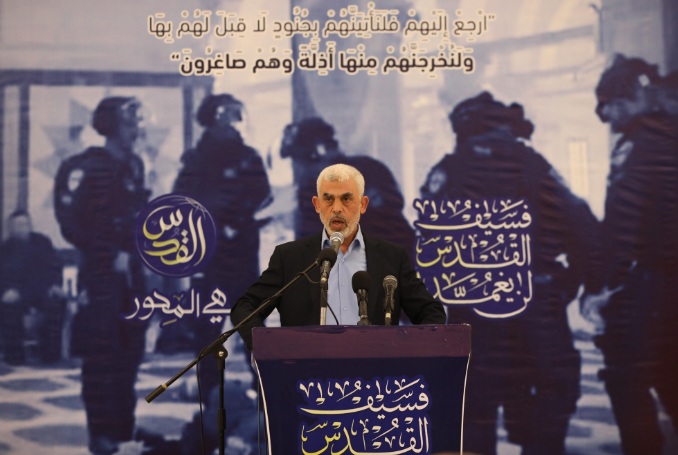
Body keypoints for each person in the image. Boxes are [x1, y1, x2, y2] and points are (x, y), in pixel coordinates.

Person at [420, 92, 599, 455]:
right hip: (536, 301)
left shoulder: (449, 170)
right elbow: (584, 226)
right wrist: (569, 283)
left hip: (474, 307)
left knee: (473, 404)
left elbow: (427, 246)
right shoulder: (535, 165)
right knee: (551, 390)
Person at [231, 163, 446, 351]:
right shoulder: (289, 257)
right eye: (328, 199)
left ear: (363, 204)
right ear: (317, 205)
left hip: (374, 378)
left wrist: (410, 351)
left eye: (346, 199)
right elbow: (245, 308)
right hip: (307, 377)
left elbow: (431, 312)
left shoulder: (391, 256)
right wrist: (269, 348)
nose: (336, 209)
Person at [160, 93, 270, 455]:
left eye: (237, 114)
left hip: (243, 258)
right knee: (207, 334)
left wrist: (238, 219)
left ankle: (266, 395)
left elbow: (263, 195)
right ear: (211, 119)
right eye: (227, 115)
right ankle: (210, 400)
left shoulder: (249, 156)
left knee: (252, 329)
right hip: (210, 260)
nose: (234, 121)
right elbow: (182, 202)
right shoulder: (195, 159)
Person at [581, 54, 678, 455]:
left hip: (658, 281)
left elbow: (624, 225)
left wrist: (603, 286)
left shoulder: (638, 146)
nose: (606, 116)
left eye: (608, 105)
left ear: (627, 99)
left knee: (627, 373)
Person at [54, 96, 151, 455]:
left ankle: (124, 430)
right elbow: (71, 224)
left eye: (136, 124)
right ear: (109, 126)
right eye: (128, 124)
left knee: (130, 353)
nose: (135, 131)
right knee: (101, 356)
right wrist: (110, 255)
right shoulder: (83, 167)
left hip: (134, 275)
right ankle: (101, 434)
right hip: (101, 274)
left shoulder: (135, 165)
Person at [281, 117, 416, 263]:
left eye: (301, 161)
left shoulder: (369, 171)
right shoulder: (311, 190)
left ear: (320, 152)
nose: (300, 169)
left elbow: (392, 211)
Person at [0, 211, 64, 365]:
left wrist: (55, 285)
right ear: (11, 228)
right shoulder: (5, 249)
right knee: (8, 307)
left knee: (55, 303)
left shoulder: (43, 243)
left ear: (30, 225)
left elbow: (55, 267)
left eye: (25, 224)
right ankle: (15, 357)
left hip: (42, 290)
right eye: (17, 225)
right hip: (17, 293)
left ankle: (50, 356)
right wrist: (6, 291)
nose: (22, 228)